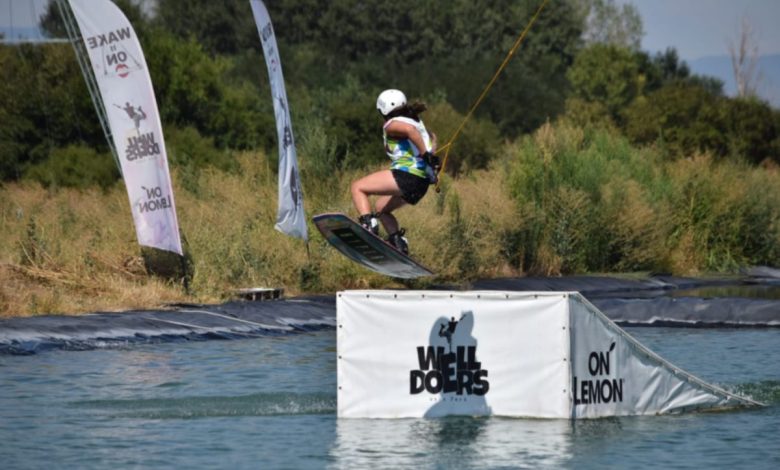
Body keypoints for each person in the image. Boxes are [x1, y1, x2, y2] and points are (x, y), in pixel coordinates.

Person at [350, 89, 440, 254]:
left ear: (383, 110)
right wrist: (430, 160)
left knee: (357, 187)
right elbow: (431, 140)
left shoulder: (392, 125)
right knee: (381, 209)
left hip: (407, 175)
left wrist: (425, 155)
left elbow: (410, 132)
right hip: (421, 184)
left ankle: (368, 226)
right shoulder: (416, 122)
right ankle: (397, 243)